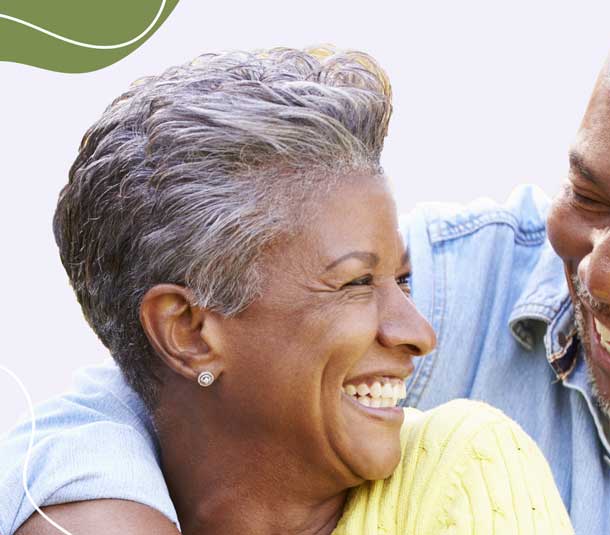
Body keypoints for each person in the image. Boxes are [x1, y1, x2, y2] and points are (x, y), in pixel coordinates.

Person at [2, 0, 610, 533]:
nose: (608, 273)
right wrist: (103, 509)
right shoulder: (464, 278)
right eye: (590, 194)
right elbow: (160, 362)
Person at [0, 46, 572, 535]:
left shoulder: (463, 468)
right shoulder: (89, 477)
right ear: (187, 331)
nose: (419, 333)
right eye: (355, 282)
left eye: (401, 279)